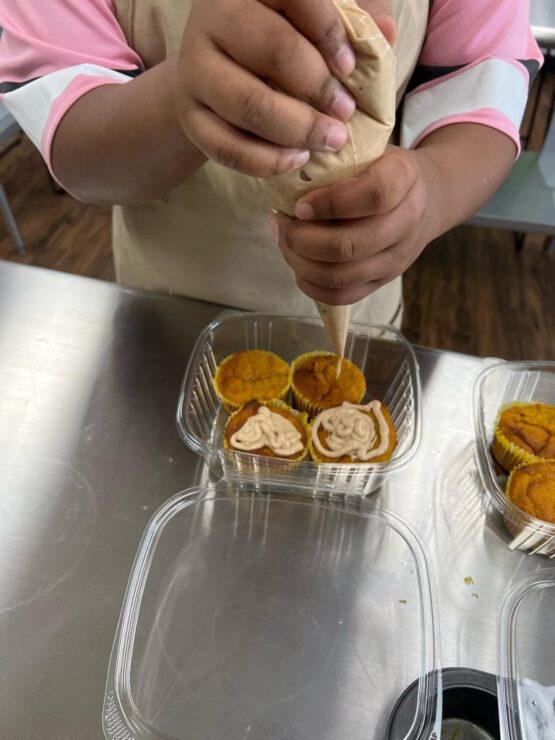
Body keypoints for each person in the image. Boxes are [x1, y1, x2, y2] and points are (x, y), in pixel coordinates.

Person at [0, 0, 543, 326]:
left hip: (365, 319)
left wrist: (430, 194)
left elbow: (482, 88)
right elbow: (74, 135)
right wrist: (185, 95)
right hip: (162, 322)